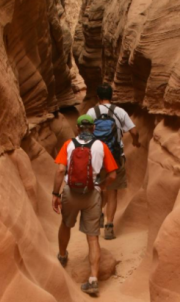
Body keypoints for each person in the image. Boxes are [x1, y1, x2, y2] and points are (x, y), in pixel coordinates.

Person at [52, 114, 118, 295]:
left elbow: (60, 170)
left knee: (65, 224)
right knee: (93, 237)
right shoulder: (101, 146)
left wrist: (55, 193)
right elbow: (112, 175)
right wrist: (101, 185)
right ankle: (93, 279)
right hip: (93, 194)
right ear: (94, 129)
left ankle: (63, 256)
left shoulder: (68, 144)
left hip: (70, 193)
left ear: (78, 129)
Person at [87, 83, 140, 240]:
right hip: (115, 157)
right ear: (112, 96)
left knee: (99, 187)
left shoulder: (92, 112)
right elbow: (134, 131)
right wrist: (136, 142)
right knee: (112, 191)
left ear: (98, 97)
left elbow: (83, 131)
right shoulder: (119, 111)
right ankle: (109, 226)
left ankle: (99, 214)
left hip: (96, 156)